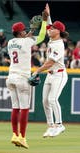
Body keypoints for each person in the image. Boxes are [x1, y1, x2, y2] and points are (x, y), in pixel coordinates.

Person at [6, 4, 49, 149]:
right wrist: (44, 22)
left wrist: (30, 31)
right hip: (23, 78)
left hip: (10, 77)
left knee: (15, 108)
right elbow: (42, 36)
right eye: (23, 30)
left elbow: (23, 39)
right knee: (24, 109)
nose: (25, 31)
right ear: (20, 32)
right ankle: (23, 137)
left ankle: (14, 134)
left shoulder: (10, 42)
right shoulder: (26, 41)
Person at [32, 6, 69, 138]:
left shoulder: (59, 44)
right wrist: (48, 15)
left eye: (53, 28)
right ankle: (51, 126)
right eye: (51, 27)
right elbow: (48, 24)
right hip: (50, 75)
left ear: (58, 31)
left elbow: (49, 63)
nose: (50, 29)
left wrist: (37, 71)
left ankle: (59, 125)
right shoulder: (53, 38)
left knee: (52, 99)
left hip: (59, 74)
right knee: (45, 101)